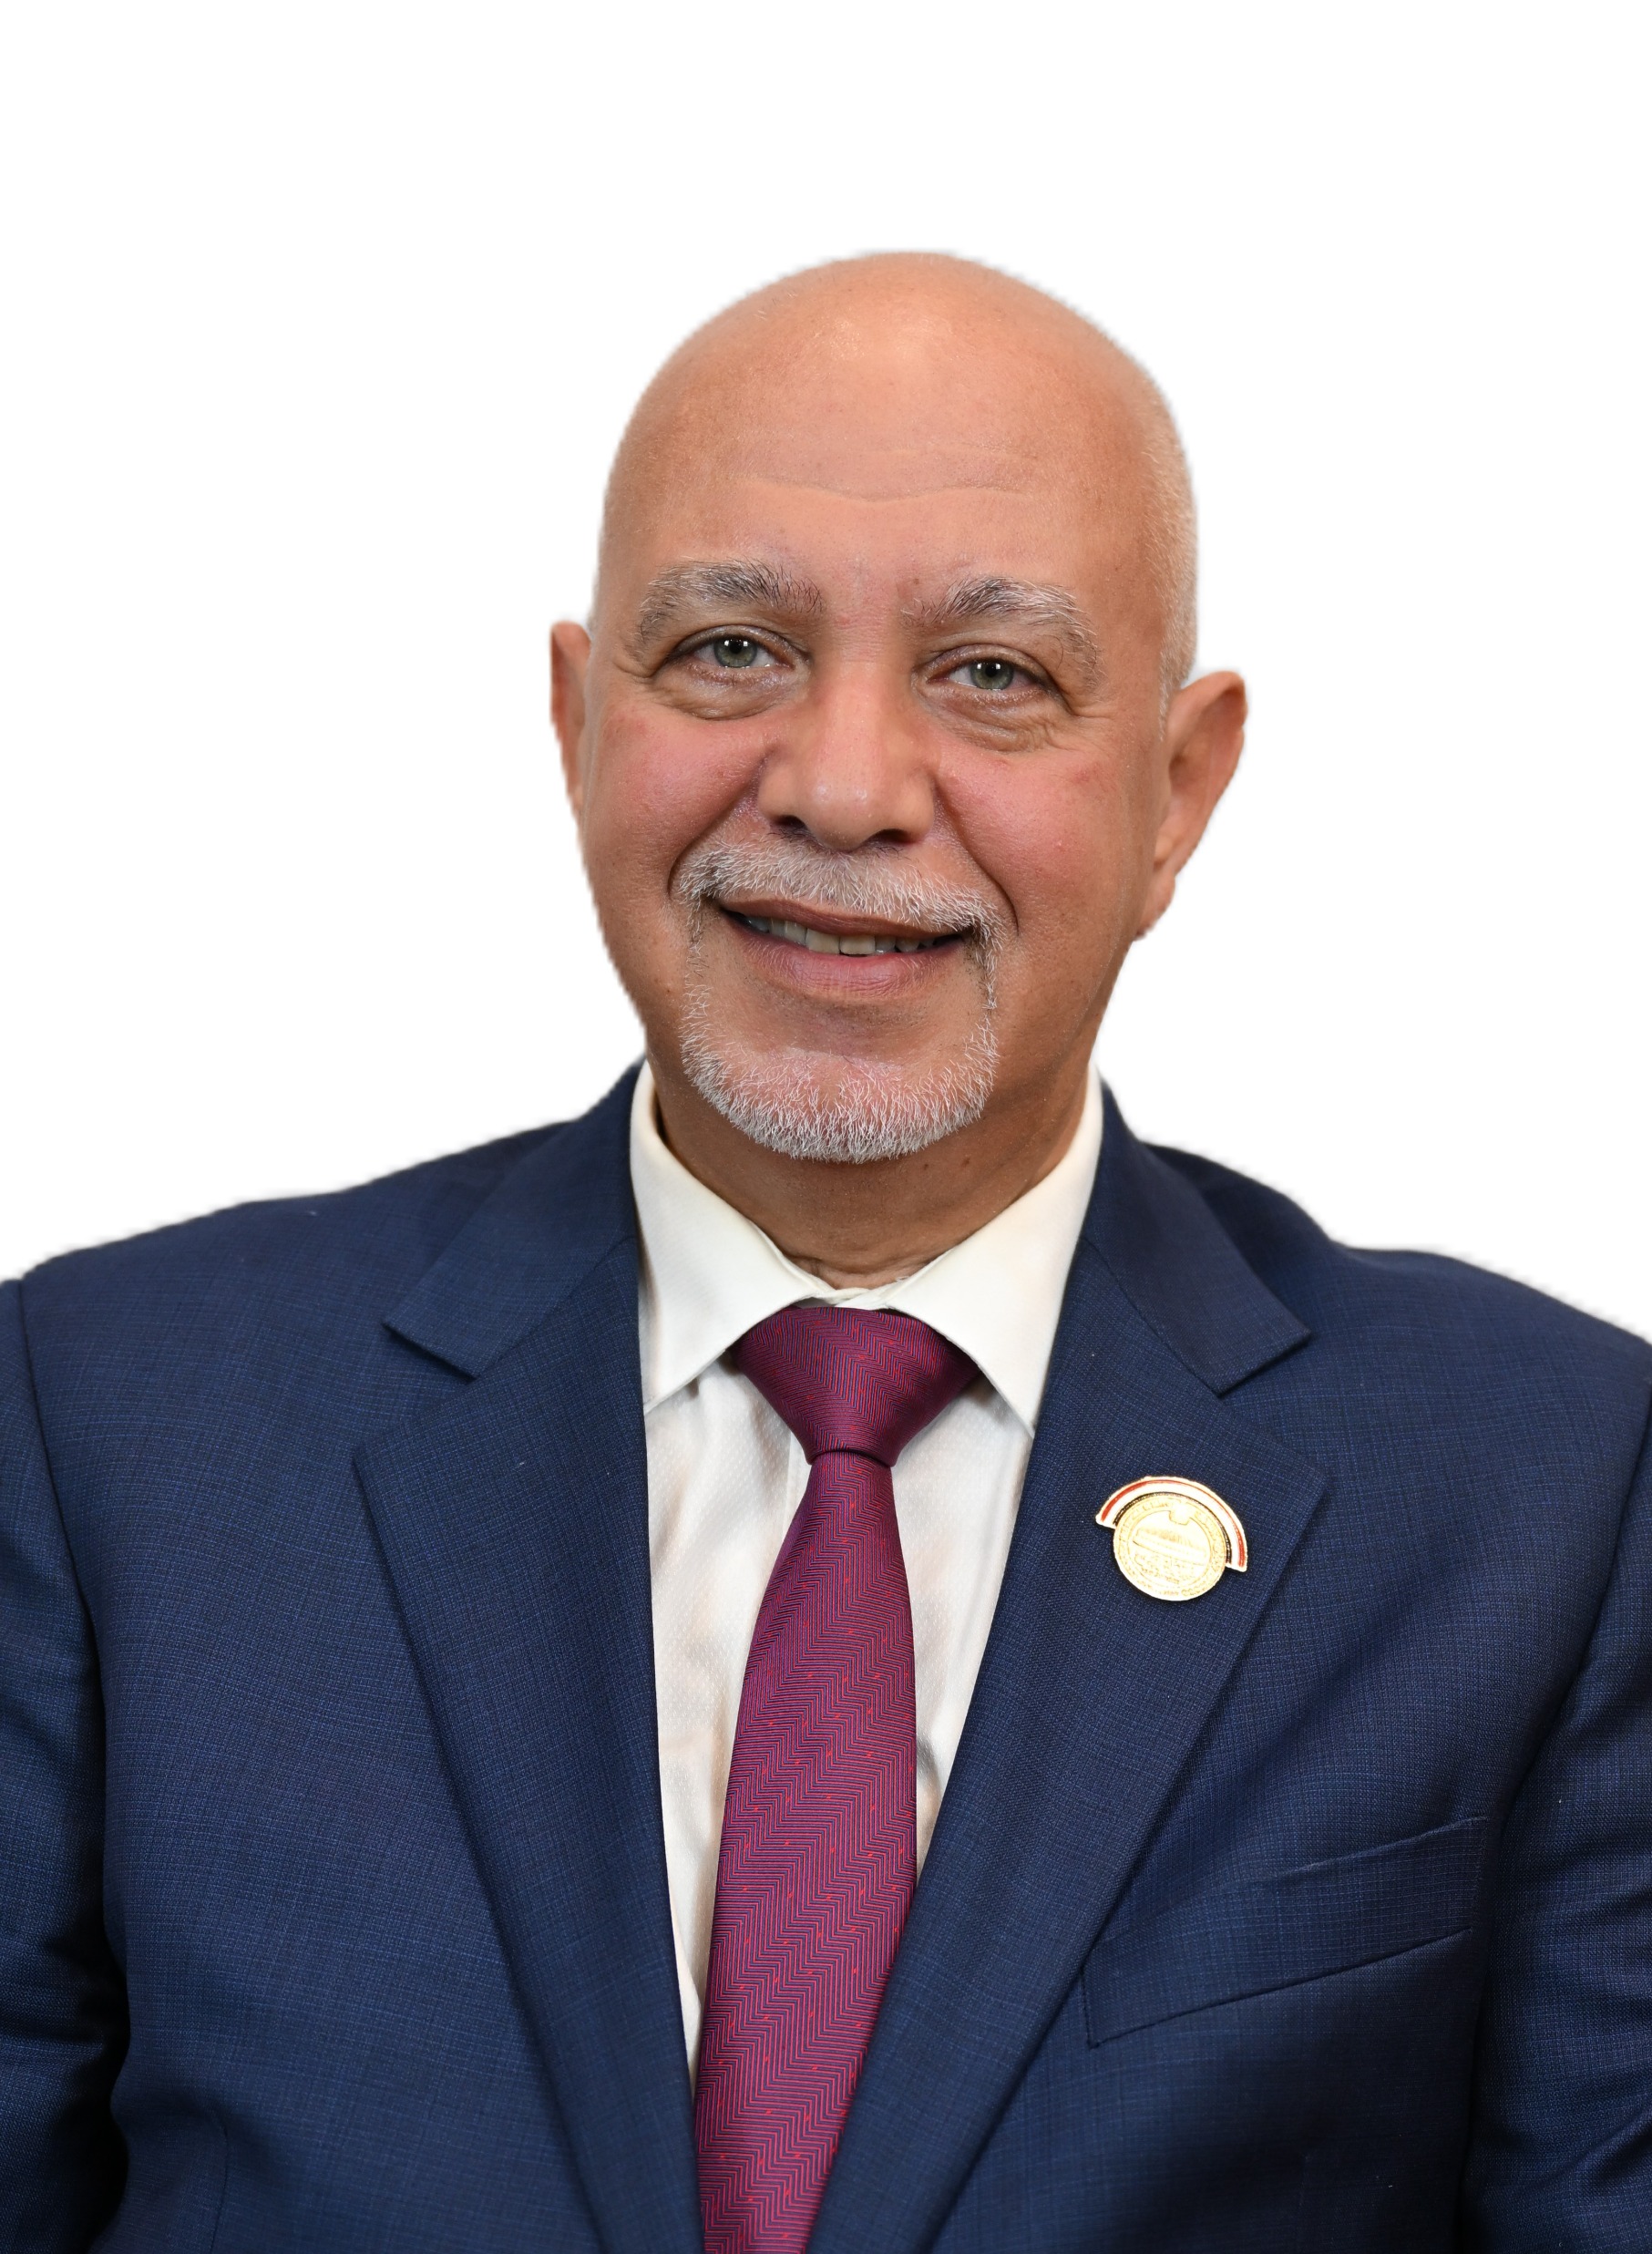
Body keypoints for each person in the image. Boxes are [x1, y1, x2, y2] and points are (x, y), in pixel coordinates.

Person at [3, 253, 1648, 2254]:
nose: (843, 788)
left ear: (1177, 791)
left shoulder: (1546, 1490)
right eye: (729, 649)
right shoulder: (108, 1423)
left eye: (994, 675)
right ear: (575, 720)